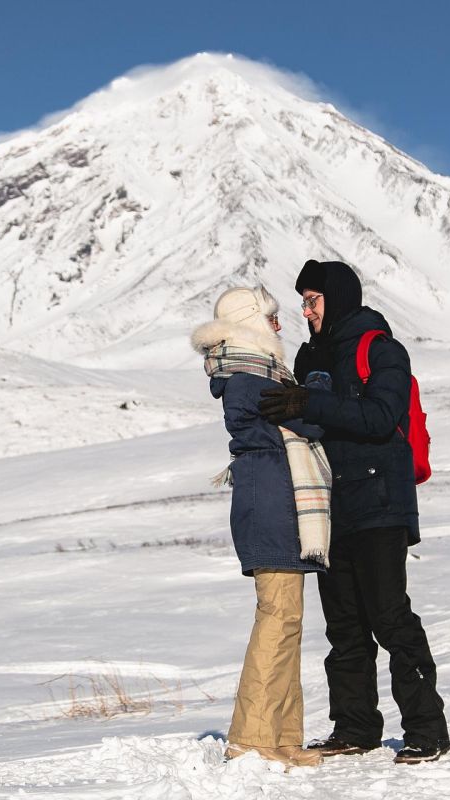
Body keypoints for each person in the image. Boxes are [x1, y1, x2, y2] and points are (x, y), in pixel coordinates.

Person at [258, 260, 450, 765]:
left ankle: (428, 730)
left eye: (313, 300)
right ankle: (355, 727)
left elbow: (380, 417)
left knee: (389, 618)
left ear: (338, 298)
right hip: (328, 508)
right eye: (302, 301)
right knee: (343, 626)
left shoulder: (381, 349)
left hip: (380, 505)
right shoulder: (309, 357)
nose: (306, 310)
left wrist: (309, 403)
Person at [191, 285, 331, 769]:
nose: (279, 326)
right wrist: (316, 395)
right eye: (269, 318)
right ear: (251, 323)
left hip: (277, 500)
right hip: (270, 500)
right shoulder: (250, 377)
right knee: (277, 618)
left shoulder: (258, 372)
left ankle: (284, 737)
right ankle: (251, 736)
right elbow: (306, 425)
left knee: (288, 621)